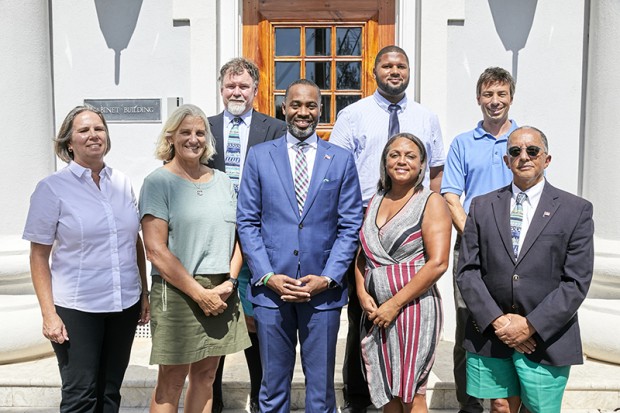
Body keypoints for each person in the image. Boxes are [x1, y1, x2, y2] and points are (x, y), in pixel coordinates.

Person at [330, 44, 446, 413]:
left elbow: (436, 170)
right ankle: (358, 399)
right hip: (367, 220)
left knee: (410, 383)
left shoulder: (426, 117)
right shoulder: (353, 115)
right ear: (374, 71)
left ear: (408, 71)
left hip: (413, 225)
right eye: (387, 65)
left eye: (401, 66)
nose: (394, 71)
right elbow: (336, 170)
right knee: (360, 320)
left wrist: (424, 209)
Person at [237, 79, 363, 413]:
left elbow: (350, 225)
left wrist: (328, 277)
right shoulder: (259, 156)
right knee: (271, 388)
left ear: (321, 110)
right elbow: (247, 221)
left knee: (321, 391)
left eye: (310, 105)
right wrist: (266, 275)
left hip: (322, 293)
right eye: (295, 104)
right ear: (284, 108)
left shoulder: (341, 159)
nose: (302, 112)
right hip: (271, 292)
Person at [456, 126, 594, 413]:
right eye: (515, 151)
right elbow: (467, 271)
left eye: (532, 150)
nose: (524, 156)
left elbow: (576, 282)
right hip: (492, 333)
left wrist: (529, 325)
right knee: (500, 406)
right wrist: (498, 322)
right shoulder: (481, 206)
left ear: (547, 159)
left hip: (546, 337)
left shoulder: (575, 210)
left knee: (538, 410)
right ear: (506, 161)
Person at [22, 105, 150, 413]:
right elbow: (38, 256)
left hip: (124, 304)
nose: (93, 135)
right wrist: (49, 314)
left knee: (110, 393)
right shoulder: (52, 188)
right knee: (80, 396)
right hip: (78, 308)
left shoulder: (121, 182)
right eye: (83, 130)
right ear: (69, 142)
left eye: (99, 129)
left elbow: (133, 240)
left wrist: (144, 292)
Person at [140, 104, 250, 413]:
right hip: (177, 290)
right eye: (185, 132)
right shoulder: (158, 182)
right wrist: (200, 294)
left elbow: (239, 238)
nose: (193, 139)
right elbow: (155, 250)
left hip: (221, 289)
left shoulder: (223, 181)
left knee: (206, 376)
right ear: (171, 137)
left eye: (200, 133)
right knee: (172, 380)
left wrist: (230, 282)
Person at [208, 57, 286, 413]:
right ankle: (213, 400)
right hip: (214, 241)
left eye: (243, 86)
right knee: (214, 319)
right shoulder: (203, 129)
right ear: (221, 89)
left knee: (258, 322)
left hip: (260, 241)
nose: (236, 92)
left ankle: (260, 398)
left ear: (256, 90)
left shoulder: (276, 129)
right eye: (230, 85)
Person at [440, 67, 518, 413]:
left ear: (511, 98)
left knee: (514, 322)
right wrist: (475, 235)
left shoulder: (524, 140)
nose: (494, 101)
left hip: (518, 251)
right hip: (471, 247)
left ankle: (510, 400)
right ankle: (469, 404)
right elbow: (451, 196)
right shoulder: (462, 143)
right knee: (467, 326)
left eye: (501, 94)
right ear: (478, 99)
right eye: (488, 94)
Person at [356, 133, 451, 413]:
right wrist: (361, 292)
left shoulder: (431, 202)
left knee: (411, 393)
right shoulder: (376, 199)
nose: (402, 161)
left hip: (413, 309)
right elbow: (362, 254)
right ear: (385, 162)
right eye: (394, 155)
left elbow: (438, 263)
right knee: (388, 392)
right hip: (377, 311)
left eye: (410, 156)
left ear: (422, 165)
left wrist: (394, 304)